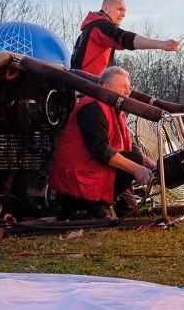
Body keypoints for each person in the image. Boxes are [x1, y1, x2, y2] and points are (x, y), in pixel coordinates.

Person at [49, 66, 158, 220]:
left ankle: (103, 203)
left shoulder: (116, 110)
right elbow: (100, 150)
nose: (128, 92)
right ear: (106, 88)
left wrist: (152, 165)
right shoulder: (92, 106)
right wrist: (136, 169)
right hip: (76, 182)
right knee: (135, 160)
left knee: (130, 209)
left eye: (129, 87)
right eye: (123, 87)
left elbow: (129, 145)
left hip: (94, 173)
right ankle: (96, 205)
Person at [70, 0, 181, 76]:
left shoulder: (90, 28)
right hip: (88, 90)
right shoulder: (101, 26)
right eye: (120, 9)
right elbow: (124, 38)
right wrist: (162, 45)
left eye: (124, 11)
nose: (123, 15)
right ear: (105, 8)